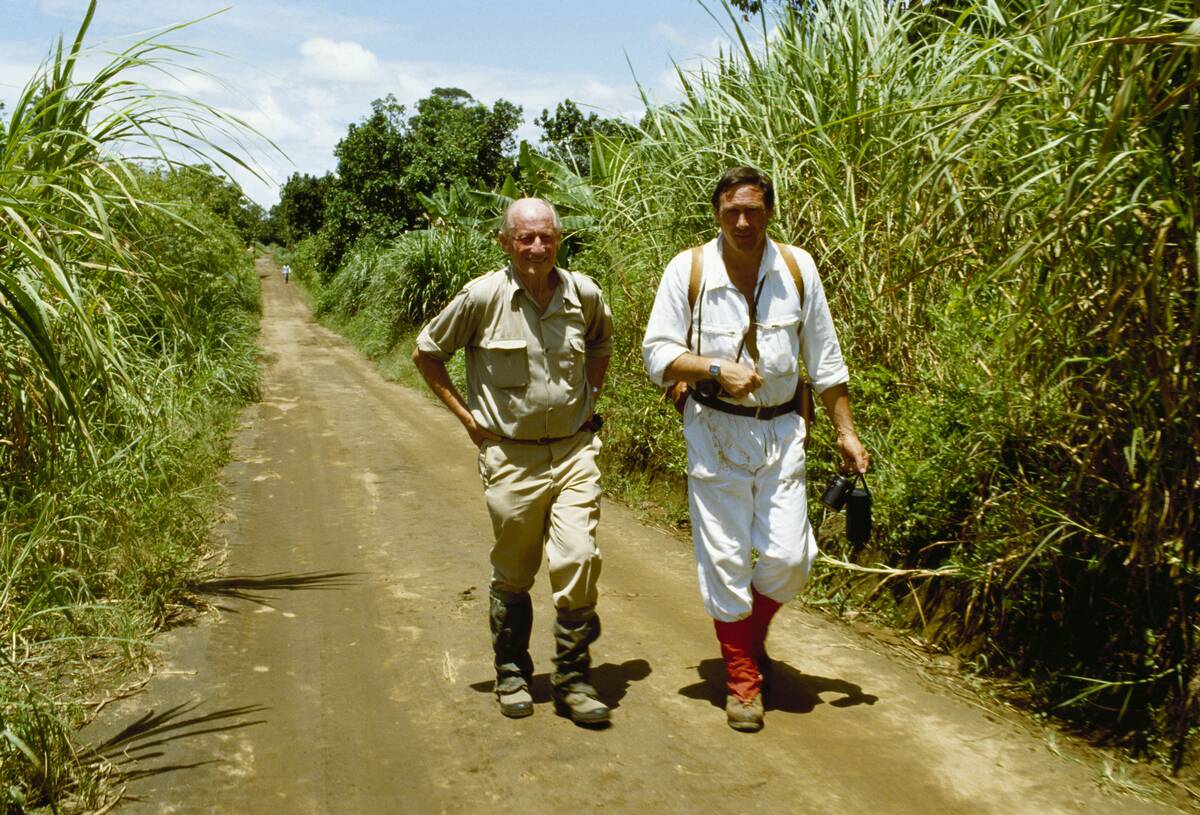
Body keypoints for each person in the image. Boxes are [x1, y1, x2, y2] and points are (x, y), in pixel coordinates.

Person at [641, 166, 869, 732]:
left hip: (784, 431)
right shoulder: (688, 269)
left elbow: (826, 359)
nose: (743, 221)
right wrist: (715, 367)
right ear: (716, 214)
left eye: (754, 210)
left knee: (793, 558)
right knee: (724, 556)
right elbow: (656, 355)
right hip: (714, 432)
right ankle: (742, 676)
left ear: (769, 211)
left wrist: (845, 430)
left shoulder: (796, 268)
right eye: (731, 211)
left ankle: (750, 633)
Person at [412, 198, 614, 726]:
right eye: (525, 238)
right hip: (511, 458)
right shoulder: (482, 297)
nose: (537, 248)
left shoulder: (583, 294)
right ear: (505, 242)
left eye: (546, 237)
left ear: (559, 239)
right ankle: (511, 670)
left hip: (574, 450)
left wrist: (590, 399)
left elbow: (600, 343)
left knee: (577, 559)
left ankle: (573, 680)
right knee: (515, 571)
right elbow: (427, 352)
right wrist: (467, 418)